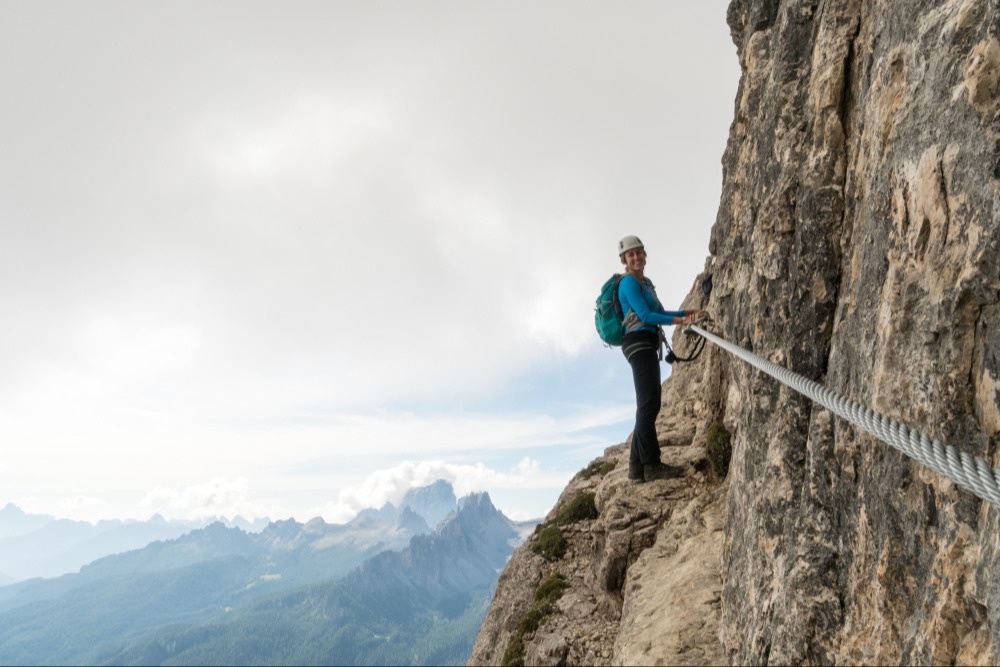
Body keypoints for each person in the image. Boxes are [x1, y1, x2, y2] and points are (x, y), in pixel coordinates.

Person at [616, 235, 707, 483]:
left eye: (639, 253)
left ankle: (637, 467)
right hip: (637, 343)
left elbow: (659, 313)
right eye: (630, 255)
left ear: (644, 255)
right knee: (649, 404)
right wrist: (682, 322)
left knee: (649, 404)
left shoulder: (646, 284)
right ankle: (651, 464)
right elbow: (645, 315)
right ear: (624, 260)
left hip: (646, 343)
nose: (636, 257)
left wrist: (686, 313)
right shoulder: (628, 284)